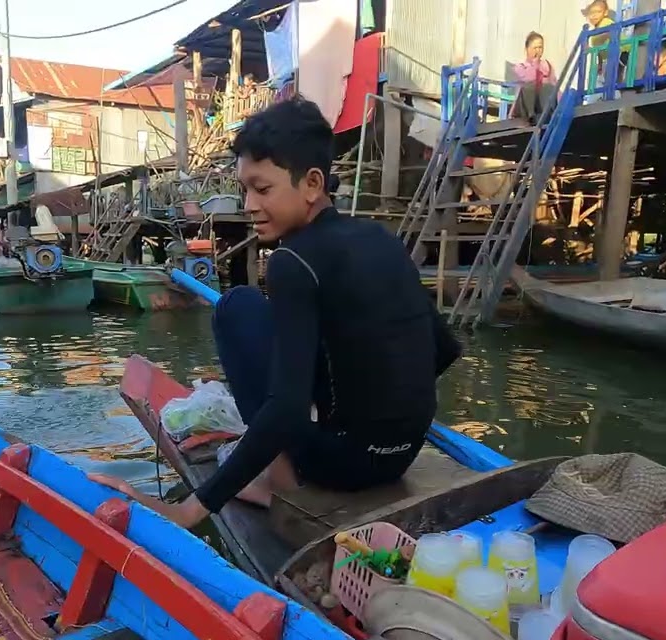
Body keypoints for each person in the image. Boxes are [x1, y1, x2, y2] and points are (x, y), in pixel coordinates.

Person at [89, 98, 461, 528]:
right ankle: (323, 443)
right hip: (400, 456)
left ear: (312, 184)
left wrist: (189, 509)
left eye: (262, 189)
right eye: (244, 188)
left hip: (340, 466)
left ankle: (281, 480)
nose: (248, 204)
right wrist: (380, 414)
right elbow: (443, 349)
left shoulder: (292, 260)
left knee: (236, 306)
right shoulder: (381, 238)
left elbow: (285, 410)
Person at [512, 31, 557, 120]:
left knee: (548, 87)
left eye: (540, 47)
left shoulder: (547, 65)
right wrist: (535, 64)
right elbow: (530, 78)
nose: (538, 51)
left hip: (543, 105)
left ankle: (547, 115)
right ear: (527, 49)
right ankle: (532, 116)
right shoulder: (520, 67)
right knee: (530, 87)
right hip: (525, 108)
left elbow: (554, 84)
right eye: (535, 48)